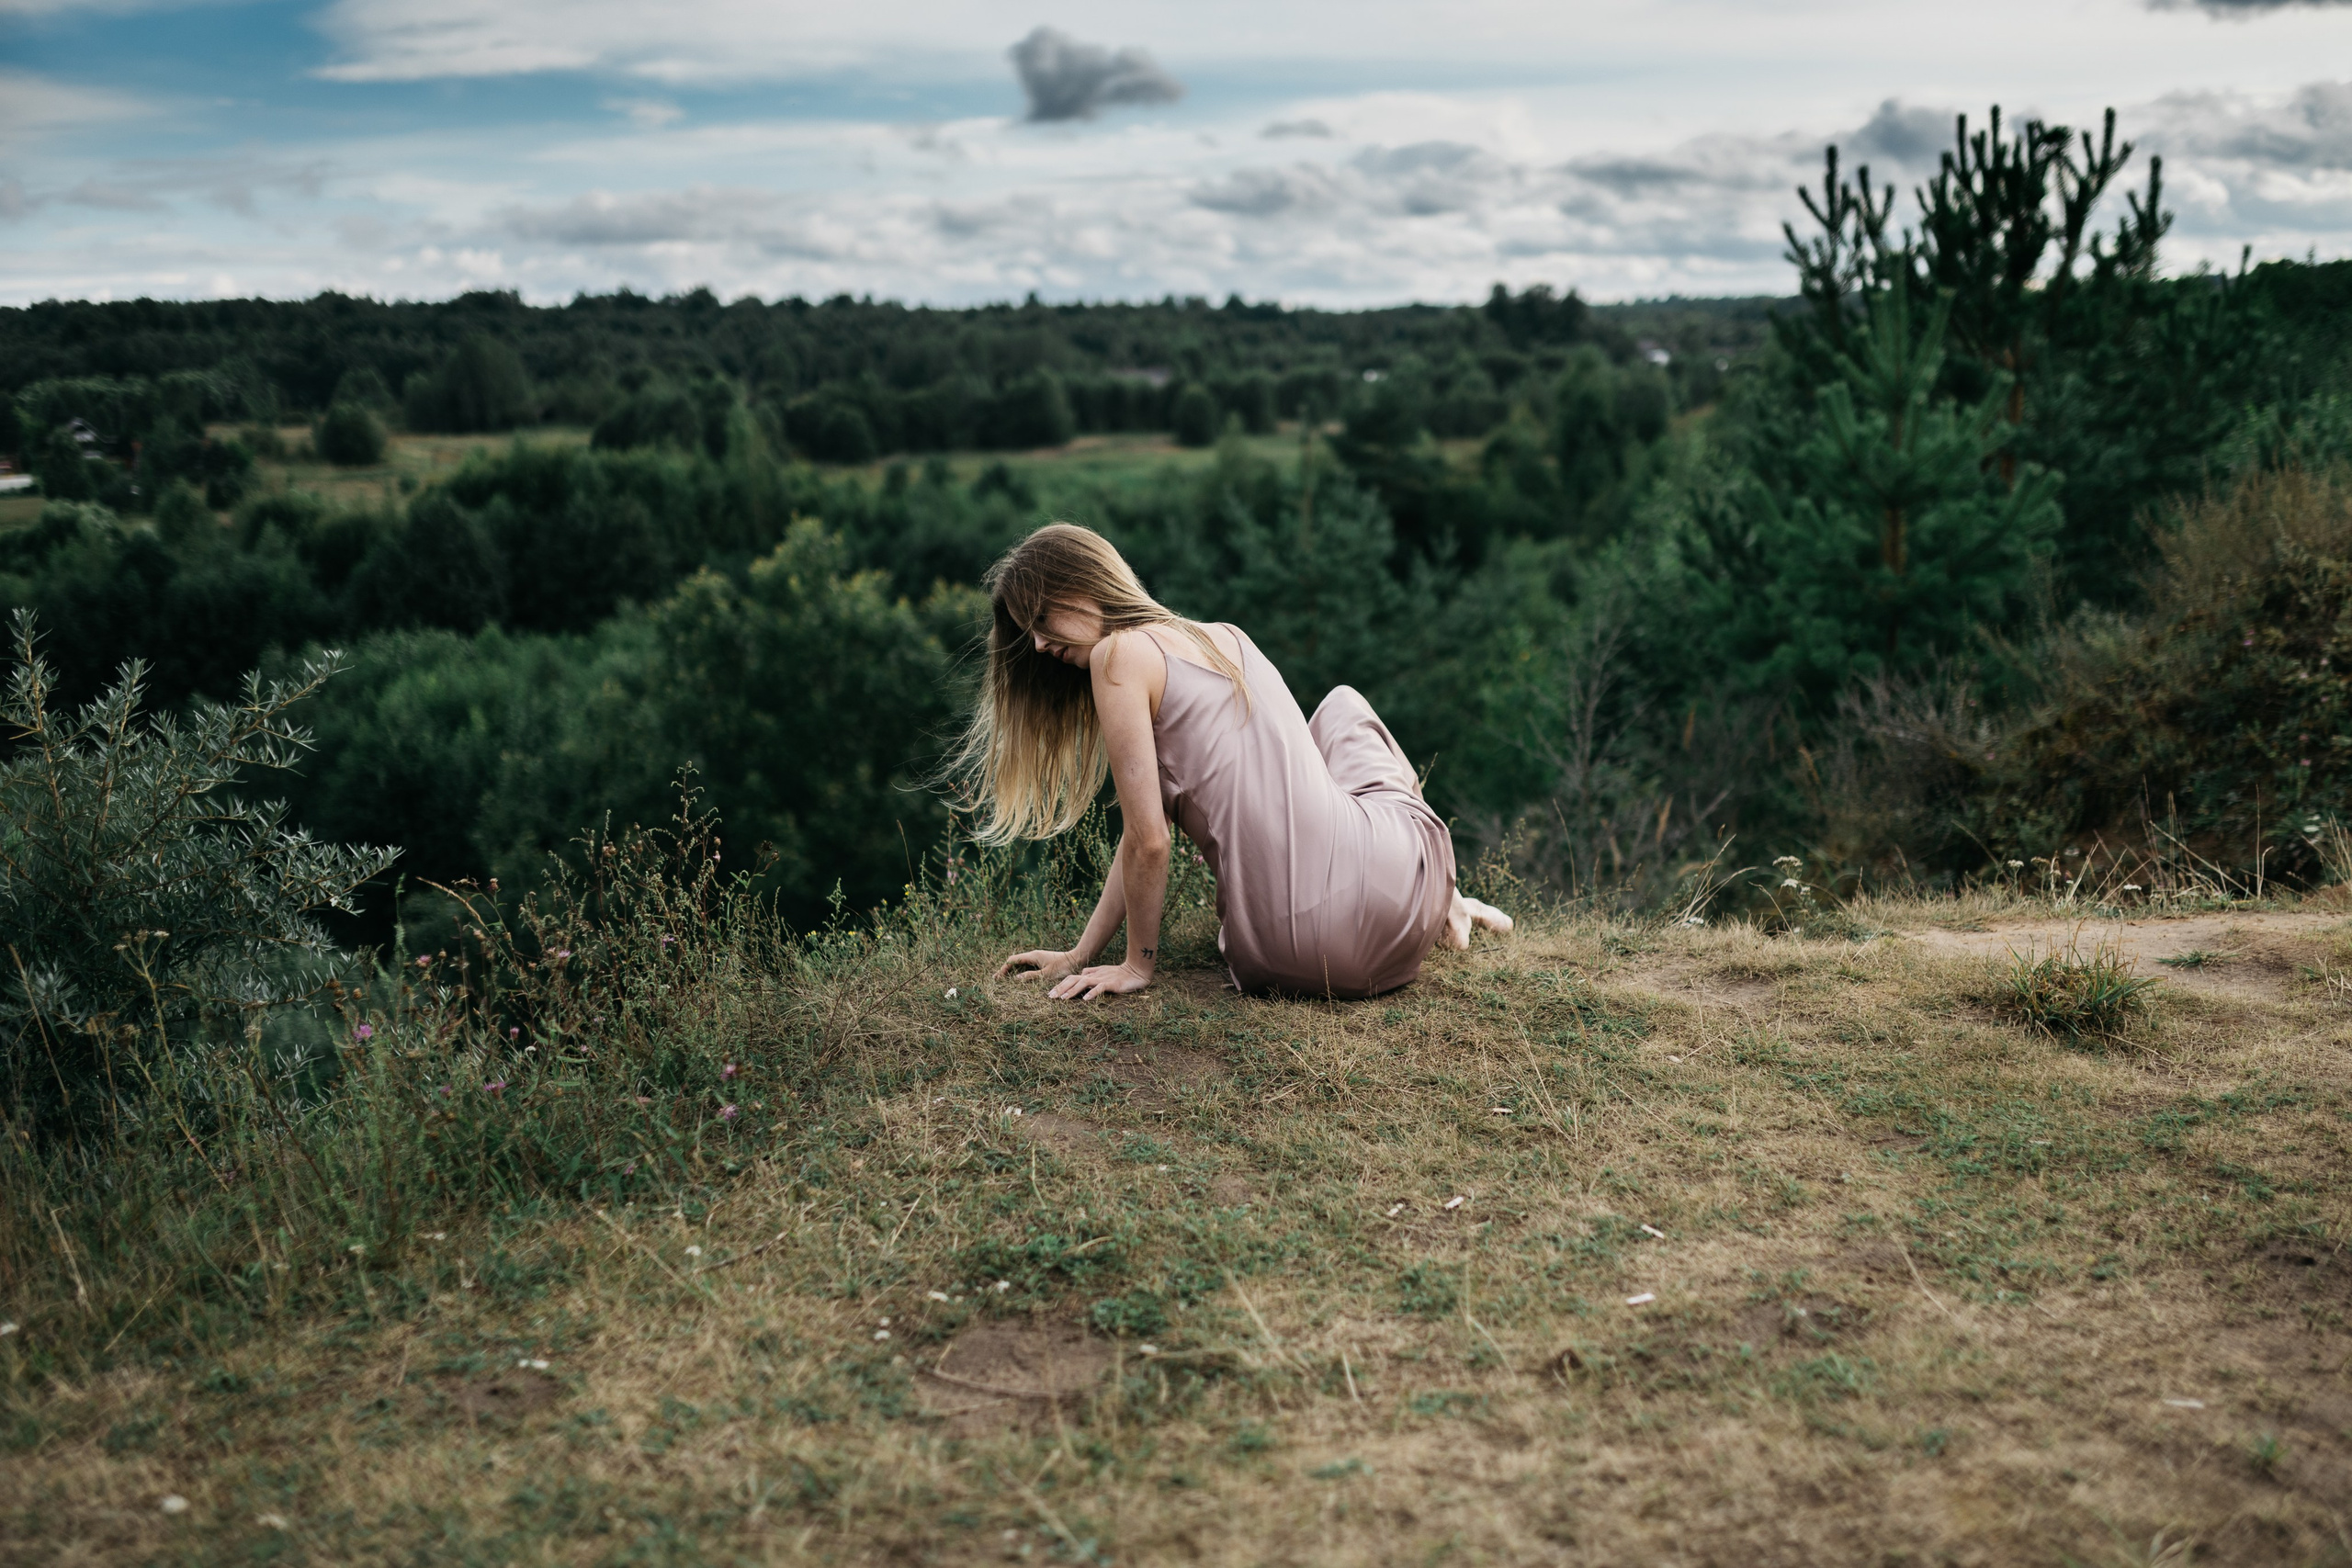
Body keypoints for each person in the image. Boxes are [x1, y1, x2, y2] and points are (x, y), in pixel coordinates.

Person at [955, 523, 1510, 1002]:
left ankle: (1448, 902)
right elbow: (1142, 841)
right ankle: (1443, 898)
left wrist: (1137, 965)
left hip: (1287, 957)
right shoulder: (1227, 639)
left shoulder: (1117, 656)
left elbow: (1148, 840)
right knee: (1341, 708)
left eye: (1042, 619)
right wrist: (1081, 953)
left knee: (1329, 729)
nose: (1038, 646)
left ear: (1082, 586)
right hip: (1396, 926)